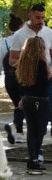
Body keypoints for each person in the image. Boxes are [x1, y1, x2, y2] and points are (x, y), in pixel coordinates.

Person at [9, 4, 52, 168]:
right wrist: (28, 65)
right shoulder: (19, 35)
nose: (41, 21)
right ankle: (37, 154)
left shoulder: (49, 32)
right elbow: (12, 60)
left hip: (48, 80)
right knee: (36, 122)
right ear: (30, 16)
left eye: (43, 17)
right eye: (38, 17)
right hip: (32, 83)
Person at [16, 37, 52, 174]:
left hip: (28, 99)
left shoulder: (24, 62)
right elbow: (44, 84)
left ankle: (33, 159)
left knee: (31, 129)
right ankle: (35, 158)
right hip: (40, 100)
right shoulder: (40, 63)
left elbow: (21, 83)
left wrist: (22, 98)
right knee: (40, 130)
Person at [3, 14, 25, 144]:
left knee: (18, 104)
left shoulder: (4, 42)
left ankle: (19, 133)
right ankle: (15, 126)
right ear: (20, 26)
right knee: (25, 103)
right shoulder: (24, 40)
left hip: (8, 78)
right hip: (21, 77)